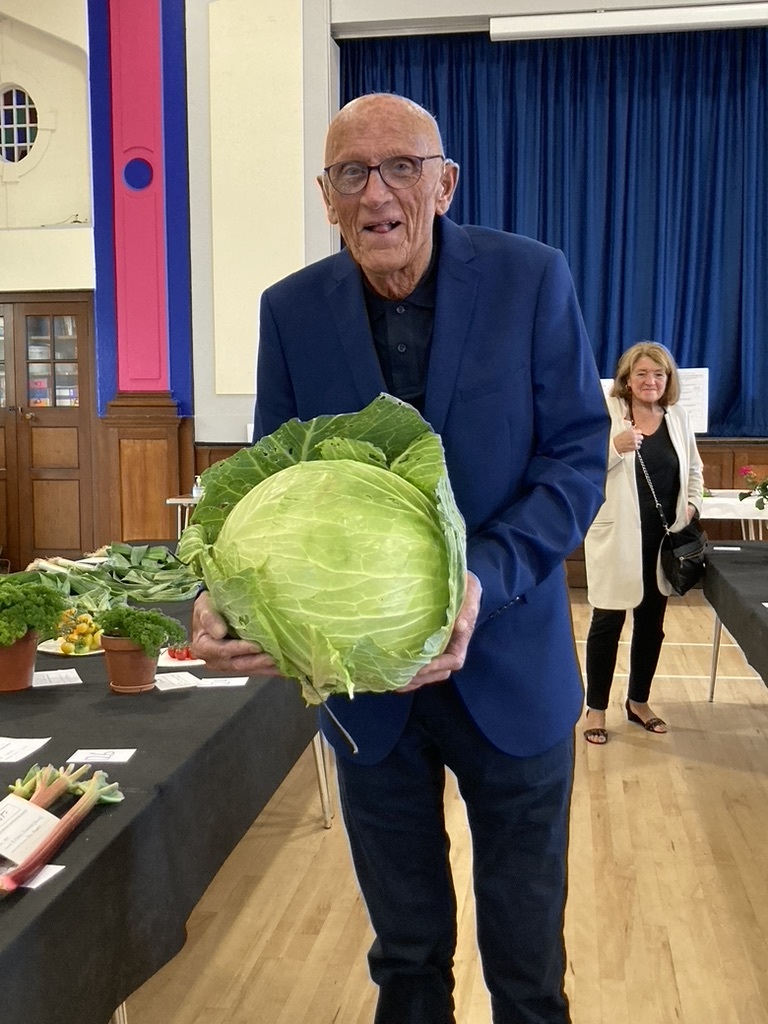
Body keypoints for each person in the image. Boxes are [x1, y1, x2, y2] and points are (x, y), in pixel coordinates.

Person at [192, 93, 609, 1024]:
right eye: (352, 173)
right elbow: (274, 478)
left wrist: (481, 582)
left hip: (512, 669)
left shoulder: (531, 279)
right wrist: (222, 590)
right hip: (367, 691)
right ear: (327, 196)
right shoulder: (292, 311)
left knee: (528, 962)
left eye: (402, 167)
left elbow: (578, 459)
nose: (378, 192)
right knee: (408, 957)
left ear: (445, 181)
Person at [582, 341, 704, 745]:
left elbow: (694, 469)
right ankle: (595, 709)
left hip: (662, 543)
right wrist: (614, 449)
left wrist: (690, 505)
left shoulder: (677, 418)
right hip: (618, 537)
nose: (650, 381)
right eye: (642, 374)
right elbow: (578, 463)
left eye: (658, 374)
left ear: (668, 380)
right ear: (627, 380)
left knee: (651, 626)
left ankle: (638, 702)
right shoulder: (608, 416)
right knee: (607, 623)